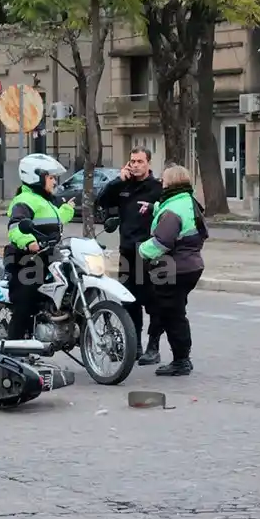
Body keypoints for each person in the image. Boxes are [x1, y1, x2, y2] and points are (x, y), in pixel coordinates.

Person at [95, 146, 163, 364]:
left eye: (140, 161)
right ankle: (136, 346)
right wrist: (117, 180)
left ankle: (154, 346)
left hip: (151, 254)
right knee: (129, 302)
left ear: (148, 163)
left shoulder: (157, 187)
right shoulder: (124, 186)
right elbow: (101, 201)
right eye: (132, 161)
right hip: (127, 253)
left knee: (154, 303)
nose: (135, 165)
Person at [138, 165, 207, 376]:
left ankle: (181, 361)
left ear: (172, 182)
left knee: (173, 316)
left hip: (174, 268)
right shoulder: (187, 201)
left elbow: (162, 242)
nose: (161, 182)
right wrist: (153, 209)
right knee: (176, 312)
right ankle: (181, 357)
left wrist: (142, 249)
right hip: (191, 265)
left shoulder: (172, 211)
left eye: (164, 179)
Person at [5, 153, 75, 340]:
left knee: (73, 284)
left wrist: (68, 209)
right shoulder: (24, 201)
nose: (54, 181)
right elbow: (15, 227)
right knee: (25, 303)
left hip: (48, 256)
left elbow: (56, 221)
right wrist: (29, 242)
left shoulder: (46, 201)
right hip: (25, 259)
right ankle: (13, 351)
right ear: (36, 177)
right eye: (50, 177)